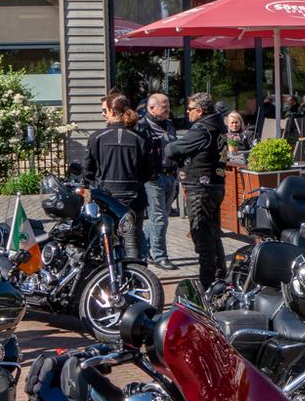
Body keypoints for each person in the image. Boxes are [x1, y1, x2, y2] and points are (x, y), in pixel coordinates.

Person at [165, 92, 229, 287]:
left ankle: (207, 282)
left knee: (201, 236)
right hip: (215, 184)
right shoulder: (218, 125)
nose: (187, 112)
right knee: (213, 233)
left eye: (190, 109)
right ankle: (219, 276)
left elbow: (172, 150)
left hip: (200, 187)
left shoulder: (202, 129)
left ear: (200, 111)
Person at [89, 91, 156, 262]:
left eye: (105, 111)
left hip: (106, 200)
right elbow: (149, 171)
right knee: (132, 243)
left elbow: (87, 170)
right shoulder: (139, 139)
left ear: (111, 111)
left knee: (107, 242)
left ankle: (109, 280)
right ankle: (135, 280)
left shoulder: (97, 138)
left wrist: (97, 185)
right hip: (133, 198)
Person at [137, 92, 179, 268]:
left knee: (160, 219)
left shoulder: (169, 124)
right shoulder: (142, 126)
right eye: (164, 106)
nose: (168, 109)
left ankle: (145, 247)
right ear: (151, 108)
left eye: (168, 105)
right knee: (159, 218)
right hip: (154, 178)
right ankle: (160, 256)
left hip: (170, 176)